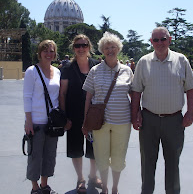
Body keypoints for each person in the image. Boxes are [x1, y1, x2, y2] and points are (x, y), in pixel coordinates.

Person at [131, 27, 193, 194]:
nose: (160, 43)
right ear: (151, 42)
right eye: (156, 40)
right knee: (147, 164)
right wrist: (135, 114)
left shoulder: (181, 60)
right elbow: (136, 91)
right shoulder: (143, 62)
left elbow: (190, 88)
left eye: (163, 39)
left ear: (170, 39)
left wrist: (190, 113)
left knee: (173, 163)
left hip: (174, 121)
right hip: (148, 120)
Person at [82, 32, 133, 194]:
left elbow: (133, 95)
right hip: (100, 123)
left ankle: (115, 188)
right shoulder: (95, 71)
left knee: (118, 158)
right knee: (102, 157)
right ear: (102, 51)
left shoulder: (127, 71)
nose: (110, 50)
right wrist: (85, 122)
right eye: (106, 48)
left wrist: (137, 114)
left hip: (123, 122)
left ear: (118, 49)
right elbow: (88, 98)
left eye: (113, 47)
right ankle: (104, 187)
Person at [59, 34, 102, 193]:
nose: (81, 48)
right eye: (78, 46)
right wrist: (65, 116)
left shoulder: (97, 66)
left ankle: (92, 176)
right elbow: (62, 93)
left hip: (93, 114)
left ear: (89, 47)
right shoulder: (67, 68)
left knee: (94, 148)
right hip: (74, 113)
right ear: (73, 48)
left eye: (84, 45)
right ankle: (80, 178)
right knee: (76, 147)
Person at [23, 40, 60, 194]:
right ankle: (35, 187)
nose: (48, 54)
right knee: (35, 156)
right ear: (39, 53)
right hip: (37, 121)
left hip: (52, 123)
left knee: (49, 155)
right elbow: (27, 97)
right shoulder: (32, 71)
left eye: (51, 51)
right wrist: (28, 121)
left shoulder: (58, 71)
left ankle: (44, 185)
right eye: (45, 50)